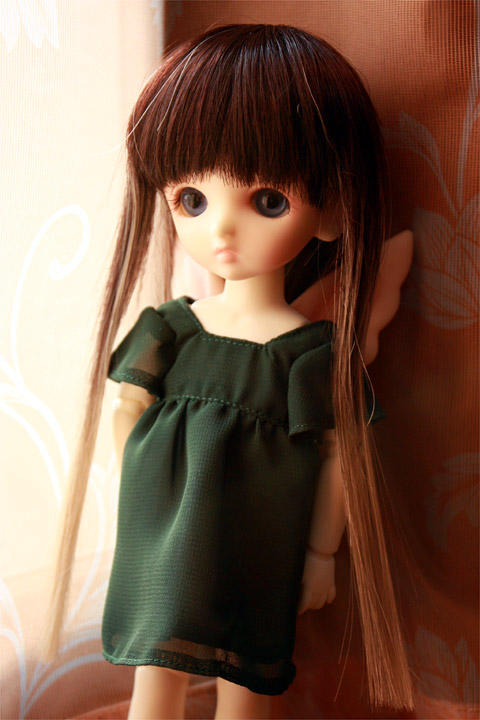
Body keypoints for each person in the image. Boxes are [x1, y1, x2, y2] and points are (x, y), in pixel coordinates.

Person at [47, 24, 413, 719]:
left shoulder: (308, 354)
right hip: (164, 546)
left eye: (268, 201)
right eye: (192, 199)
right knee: (155, 682)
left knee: (245, 689)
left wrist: (319, 554)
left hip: (260, 549)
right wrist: (150, 501)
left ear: (331, 212)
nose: (220, 229)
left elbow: (342, 454)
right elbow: (127, 411)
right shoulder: (171, 330)